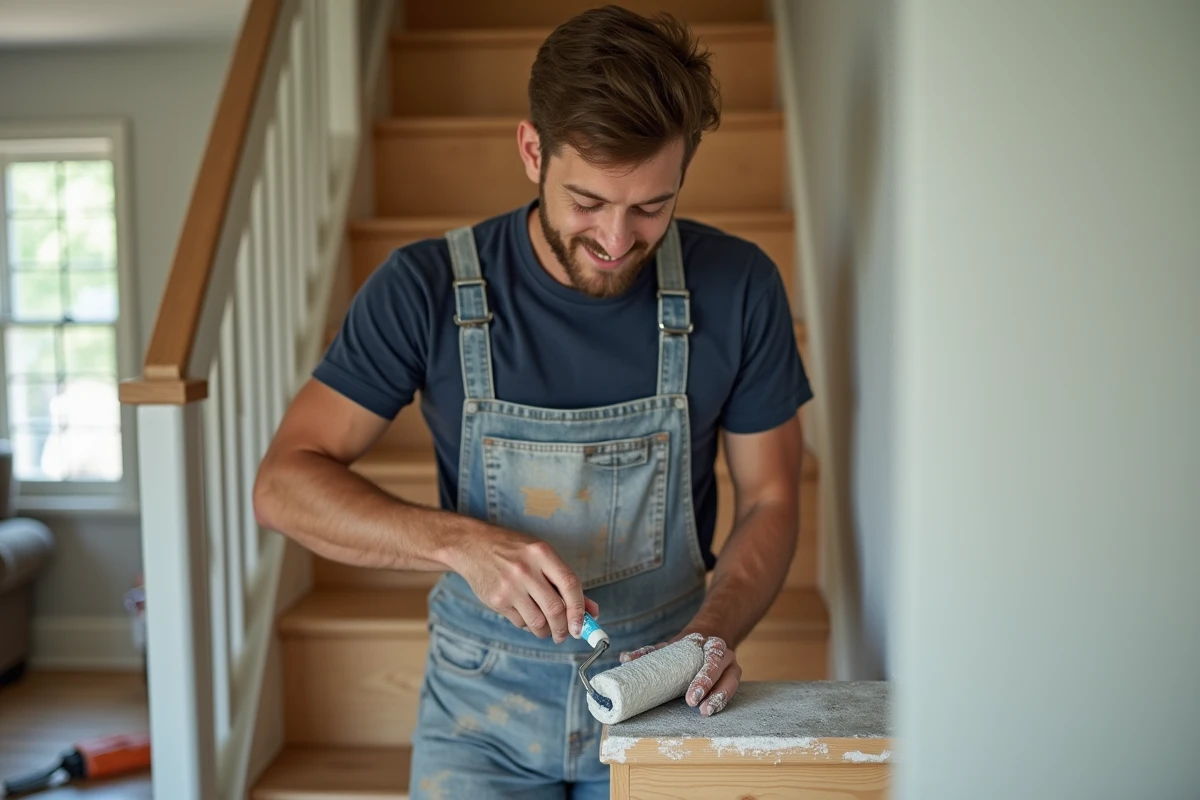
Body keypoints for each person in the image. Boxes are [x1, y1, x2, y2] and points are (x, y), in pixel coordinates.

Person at [253, 5, 812, 798]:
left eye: (653, 206)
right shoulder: (425, 289)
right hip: (479, 715)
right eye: (588, 201)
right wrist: (460, 543)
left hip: (660, 701)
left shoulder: (739, 285)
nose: (618, 239)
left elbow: (774, 497)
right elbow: (282, 485)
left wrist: (707, 640)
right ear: (531, 150)